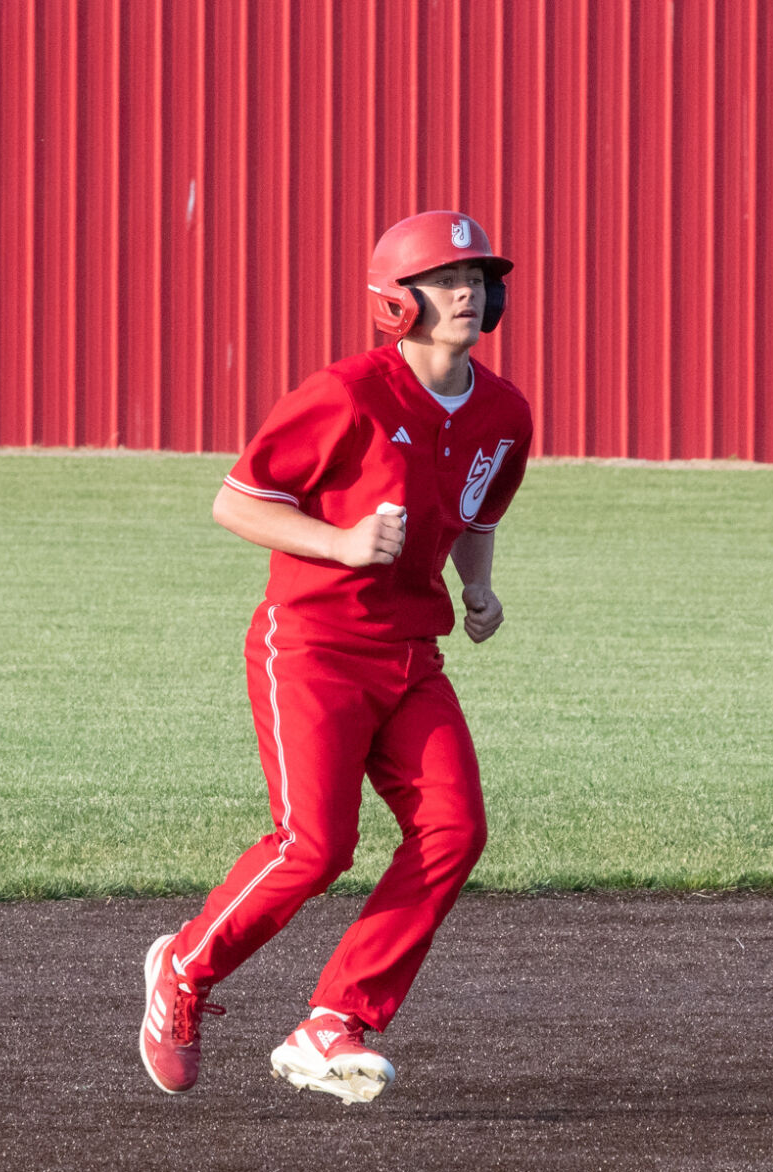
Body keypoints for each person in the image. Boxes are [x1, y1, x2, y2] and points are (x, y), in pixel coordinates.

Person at [138, 211, 533, 1105]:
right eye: (443, 277)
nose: (466, 290)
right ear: (397, 301)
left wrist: (478, 589)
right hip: (311, 644)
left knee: (454, 830)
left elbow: (477, 512)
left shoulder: (503, 411)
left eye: (477, 275)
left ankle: (336, 1019)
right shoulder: (346, 392)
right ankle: (183, 971)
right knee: (315, 846)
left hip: (410, 652)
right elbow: (237, 504)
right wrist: (344, 544)